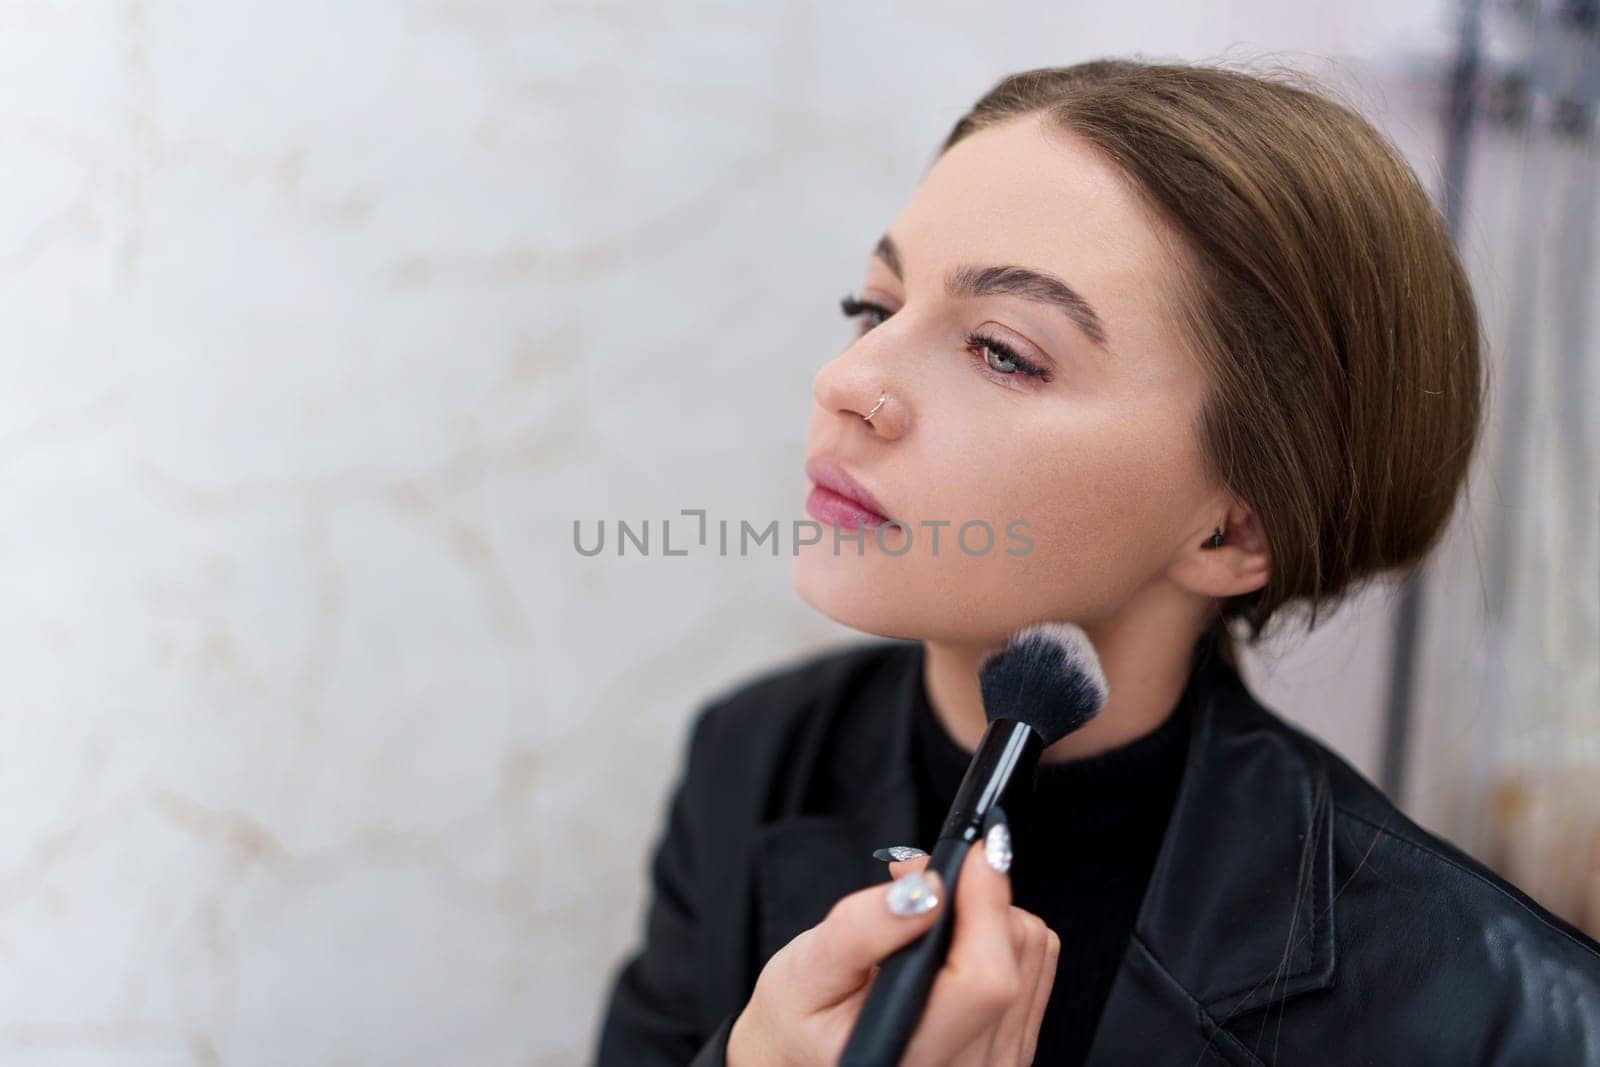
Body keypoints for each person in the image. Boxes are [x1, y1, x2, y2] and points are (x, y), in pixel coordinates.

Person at [593, 58, 1600, 1065]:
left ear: (1233, 530)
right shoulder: (751, 759)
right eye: (874, 307)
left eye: (999, 348)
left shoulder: (1493, 1015)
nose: (848, 377)